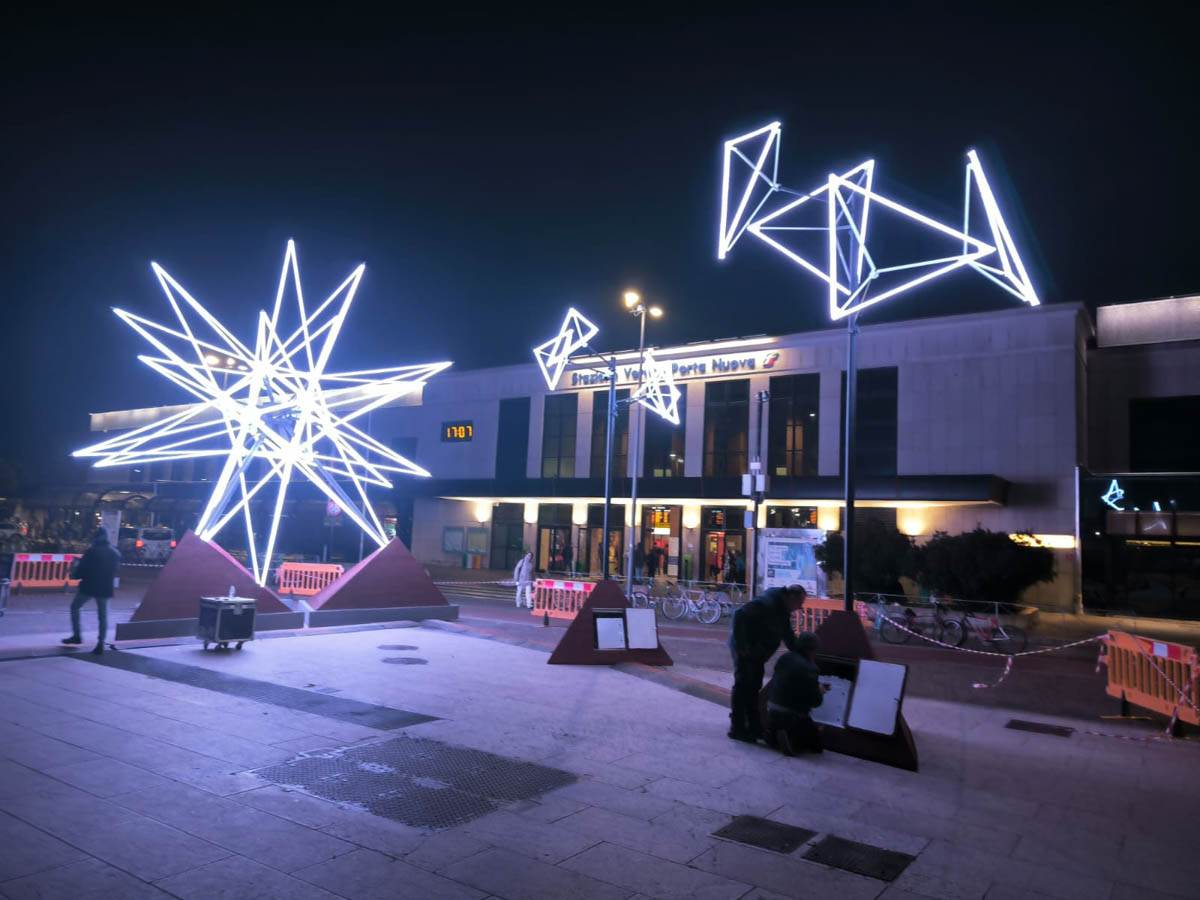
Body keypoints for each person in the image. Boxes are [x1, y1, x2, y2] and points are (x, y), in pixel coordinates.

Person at [727, 583, 807, 742]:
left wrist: (801, 653)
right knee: (743, 686)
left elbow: (788, 635)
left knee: (753, 686)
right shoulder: (769, 603)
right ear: (791, 597)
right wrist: (743, 647)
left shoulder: (781, 608)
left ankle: (753, 727)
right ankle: (737, 728)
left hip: (756, 653)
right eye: (799, 603)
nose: (799, 607)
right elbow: (739, 615)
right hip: (747, 651)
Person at [767, 632, 829, 755]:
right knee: (817, 745)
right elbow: (815, 702)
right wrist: (820, 691)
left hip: (772, 707)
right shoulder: (811, 669)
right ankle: (792, 742)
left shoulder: (785, 657)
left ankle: (772, 736)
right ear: (813, 650)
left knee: (780, 722)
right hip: (791, 714)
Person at [62, 527, 121, 655]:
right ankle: (100, 643)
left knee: (75, 607)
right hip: (105, 588)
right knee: (103, 616)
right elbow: (115, 569)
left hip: (89, 586)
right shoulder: (115, 553)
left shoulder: (91, 551)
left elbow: (82, 569)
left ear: (96, 537)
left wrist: (74, 574)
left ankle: (77, 635)